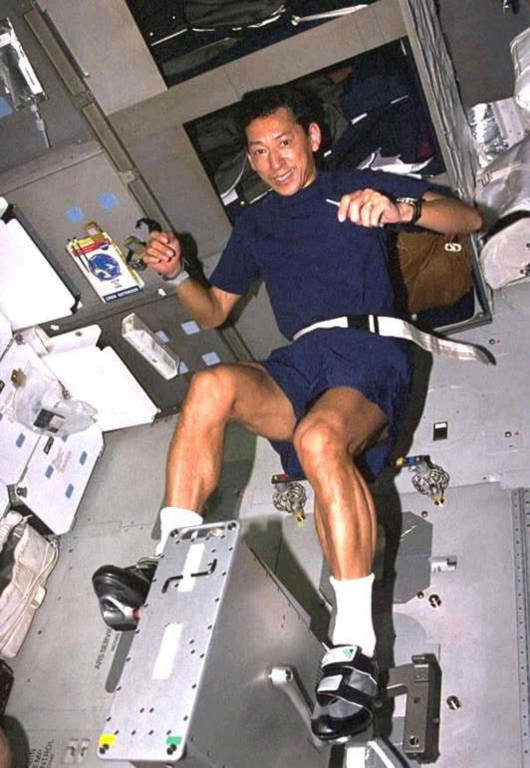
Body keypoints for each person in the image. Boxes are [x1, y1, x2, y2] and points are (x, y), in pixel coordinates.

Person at [143, 84, 482, 740]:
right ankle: (173, 560)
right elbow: (214, 312)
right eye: (258, 152)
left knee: (319, 439)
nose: (274, 162)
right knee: (210, 387)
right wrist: (178, 274)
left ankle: (354, 648)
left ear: (313, 138)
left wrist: (400, 207)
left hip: (369, 349)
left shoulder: (356, 185)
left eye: (284, 144)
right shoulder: (256, 224)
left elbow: (465, 219)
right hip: (299, 360)